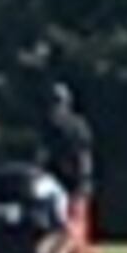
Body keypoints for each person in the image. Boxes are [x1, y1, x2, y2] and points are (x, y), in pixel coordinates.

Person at [39, 80, 97, 214]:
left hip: (73, 175)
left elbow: (84, 153)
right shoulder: (48, 126)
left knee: (75, 212)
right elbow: (43, 153)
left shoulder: (76, 125)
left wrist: (84, 178)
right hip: (53, 175)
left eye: (58, 103)